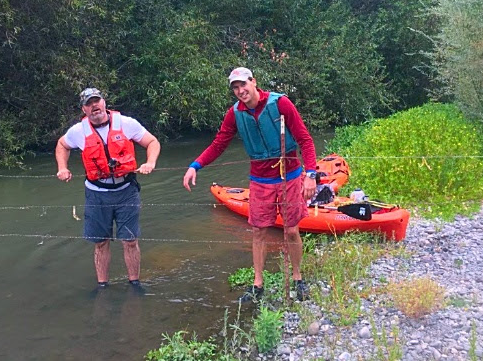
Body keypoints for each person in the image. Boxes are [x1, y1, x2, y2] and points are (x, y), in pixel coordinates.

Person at [182, 67, 317, 302]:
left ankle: (297, 278)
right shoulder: (234, 114)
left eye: (243, 84)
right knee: (258, 231)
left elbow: (305, 139)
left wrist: (311, 174)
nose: (240, 90)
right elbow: (218, 144)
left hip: (291, 175)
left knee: (292, 229)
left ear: (254, 82)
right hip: (261, 179)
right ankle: (257, 284)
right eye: (235, 87)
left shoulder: (281, 104)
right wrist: (196, 165)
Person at [56, 87, 160, 290]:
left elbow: (152, 142)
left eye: (97, 101)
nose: (94, 106)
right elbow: (62, 145)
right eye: (89, 103)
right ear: (84, 110)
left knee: (130, 240)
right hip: (97, 194)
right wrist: (62, 168)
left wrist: (150, 162)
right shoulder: (78, 131)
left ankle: (134, 282)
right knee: (100, 242)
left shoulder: (127, 124)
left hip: (126, 190)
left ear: (104, 102)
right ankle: (102, 285)